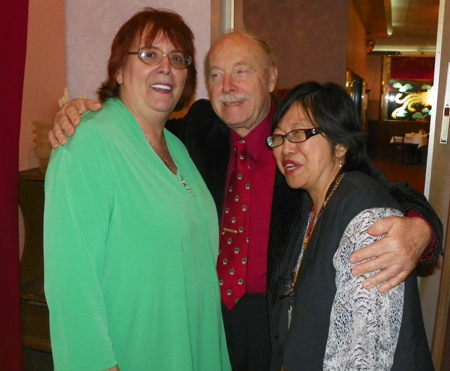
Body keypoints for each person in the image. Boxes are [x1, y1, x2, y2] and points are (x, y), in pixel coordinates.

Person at [48, 31, 442, 371]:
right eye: (216, 75)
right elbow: (138, 122)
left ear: (271, 78)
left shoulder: (300, 141)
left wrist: (421, 230)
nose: (227, 86)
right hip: (210, 319)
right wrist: (81, 111)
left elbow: (386, 188)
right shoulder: (197, 130)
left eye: (242, 71)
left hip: (274, 319)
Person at [44, 8, 230, 371]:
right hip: (136, 352)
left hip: (191, 344)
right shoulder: (86, 142)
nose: (166, 67)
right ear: (118, 70)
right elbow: (71, 284)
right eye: (149, 54)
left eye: (178, 59)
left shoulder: (178, 147)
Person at [268, 81, 434, 370]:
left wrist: (424, 228)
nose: (286, 148)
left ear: (341, 144)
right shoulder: (315, 202)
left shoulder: (368, 222)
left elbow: (365, 355)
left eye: (298, 133)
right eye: (279, 138)